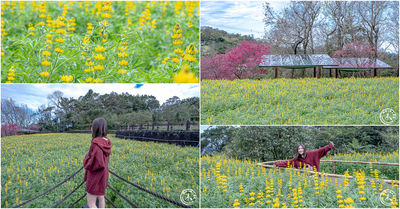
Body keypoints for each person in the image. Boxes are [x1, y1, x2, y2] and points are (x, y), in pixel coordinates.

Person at [83, 118, 112, 208]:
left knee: (91, 204)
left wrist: (86, 160)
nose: (91, 128)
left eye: (92, 126)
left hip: (95, 177)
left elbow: (94, 163)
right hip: (103, 176)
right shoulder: (106, 142)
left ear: (96, 128)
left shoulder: (96, 144)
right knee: (101, 198)